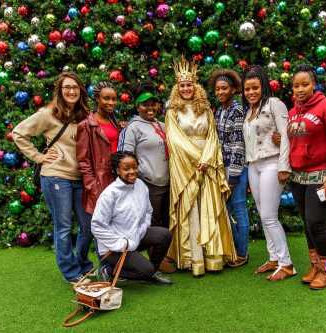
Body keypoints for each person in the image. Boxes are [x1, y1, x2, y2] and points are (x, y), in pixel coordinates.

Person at [13, 72, 92, 284]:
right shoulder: (48, 114)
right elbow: (19, 133)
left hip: (80, 178)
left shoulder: (84, 115)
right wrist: (39, 157)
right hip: (56, 176)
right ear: (59, 90)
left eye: (75, 87)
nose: (71, 91)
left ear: (81, 91)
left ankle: (83, 263)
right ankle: (71, 272)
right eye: (67, 87)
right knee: (64, 226)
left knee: (88, 225)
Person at [164, 56, 236, 277]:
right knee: (190, 209)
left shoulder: (206, 110)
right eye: (182, 85)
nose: (186, 88)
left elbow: (213, 137)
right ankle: (191, 258)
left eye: (190, 84)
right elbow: (174, 140)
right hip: (186, 165)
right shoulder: (172, 112)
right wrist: (198, 160)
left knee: (208, 206)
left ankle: (212, 258)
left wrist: (207, 160)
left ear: (196, 86)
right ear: (178, 87)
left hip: (207, 163)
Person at [287, 65, 326, 290]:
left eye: (305, 84)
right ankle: (315, 264)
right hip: (298, 177)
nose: (300, 89)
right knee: (307, 224)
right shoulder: (293, 112)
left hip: (321, 176)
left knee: (317, 223)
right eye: (296, 85)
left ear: (314, 84)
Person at [242, 65, 295, 281]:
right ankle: (273, 258)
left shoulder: (274, 104)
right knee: (262, 213)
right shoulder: (249, 112)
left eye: (255, 87)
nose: (251, 92)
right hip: (254, 166)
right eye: (247, 89)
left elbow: (286, 135)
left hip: (272, 163)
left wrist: (284, 166)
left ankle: (287, 263)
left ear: (263, 87)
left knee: (269, 216)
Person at [91, 151, 172, 284]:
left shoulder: (140, 185)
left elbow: (148, 211)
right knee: (146, 270)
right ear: (117, 170)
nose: (132, 171)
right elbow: (97, 226)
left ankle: (152, 272)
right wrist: (121, 244)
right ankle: (107, 270)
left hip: (134, 237)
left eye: (134, 167)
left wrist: (142, 229)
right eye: (126, 169)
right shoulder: (109, 194)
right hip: (114, 248)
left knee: (164, 235)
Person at [209, 69, 249, 267]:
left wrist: (233, 176)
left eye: (224, 88)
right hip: (222, 167)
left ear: (233, 89)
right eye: (217, 89)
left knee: (239, 208)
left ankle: (242, 253)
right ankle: (232, 248)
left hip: (236, 168)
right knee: (226, 209)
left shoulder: (238, 110)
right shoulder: (220, 110)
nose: (220, 92)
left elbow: (238, 145)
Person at [118, 85, 169, 229]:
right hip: (149, 185)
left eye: (153, 104)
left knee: (166, 225)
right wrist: (135, 182)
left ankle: (164, 253)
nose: (150, 108)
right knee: (151, 225)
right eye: (145, 105)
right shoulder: (133, 128)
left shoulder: (164, 125)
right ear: (137, 107)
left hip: (169, 184)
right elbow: (124, 157)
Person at [76, 81, 119, 216]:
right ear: (97, 99)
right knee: (98, 227)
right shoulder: (87, 125)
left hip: (116, 178)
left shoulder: (114, 122)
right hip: (100, 183)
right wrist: (93, 187)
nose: (111, 103)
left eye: (113, 99)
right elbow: (83, 160)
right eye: (106, 98)